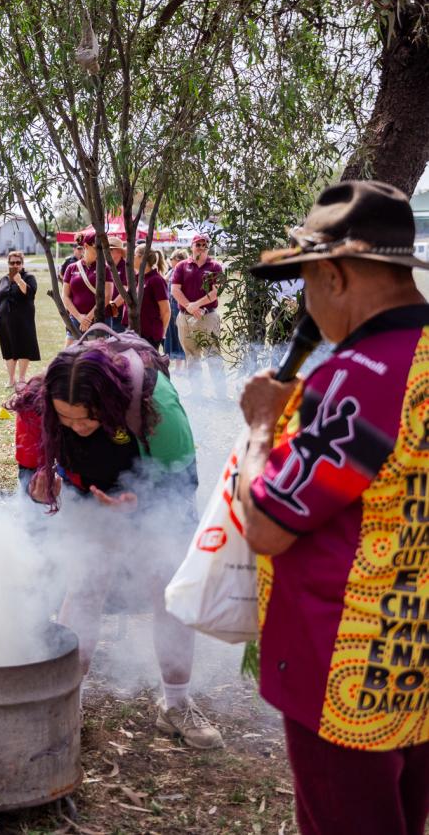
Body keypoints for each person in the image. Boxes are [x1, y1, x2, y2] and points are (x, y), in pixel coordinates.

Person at [235, 181, 429, 835]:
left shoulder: (358, 377)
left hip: (344, 673)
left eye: (307, 284)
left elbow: (266, 527)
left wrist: (262, 427)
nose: (308, 305)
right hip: (419, 660)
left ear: (334, 275)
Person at [10, 337, 223, 749]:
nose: (76, 427)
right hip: (87, 485)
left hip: (150, 484)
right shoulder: (36, 404)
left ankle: (176, 703)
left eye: (86, 419)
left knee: (168, 587)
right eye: (66, 419)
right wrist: (41, 489)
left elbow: (180, 484)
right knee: (87, 583)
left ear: (108, 404)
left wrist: (139, 504)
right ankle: (67, 701)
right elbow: (30, 475)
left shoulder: (156, 405)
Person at [171, 233, 224, 394]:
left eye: (204, 245)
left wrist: (196, 305)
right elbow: (175, 290)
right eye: (198, 244)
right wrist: (190, 307)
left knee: (213, 355)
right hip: (185, 318)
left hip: (208, 316)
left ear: (208, 247)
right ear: (192, 246)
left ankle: (220, 393)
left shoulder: (215, 266)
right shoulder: (181, 266)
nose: (201, 247)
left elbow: (216, 292)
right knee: (191, 356)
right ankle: (197, 393)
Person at [0, 250, 39, 386]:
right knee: (8, 348)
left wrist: (19, 281)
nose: (15, 265)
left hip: (23, 319)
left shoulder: (29, 277)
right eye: (12, 263)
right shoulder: (4, 279)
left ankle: (22, 378)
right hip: (3, 321)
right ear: (8, 264)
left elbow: (30, 293)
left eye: (18, 262)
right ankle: (11, 379)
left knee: (23, 346)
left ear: (22, 263)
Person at [131, 245, 171, 351]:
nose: (132, 257)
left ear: (142, 258)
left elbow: (166, 311)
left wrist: (161, 333)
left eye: (134, 255)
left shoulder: (156, 280)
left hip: (150, 335)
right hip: (136, 332)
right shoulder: (138, 278)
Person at [163, 249, 187, 362]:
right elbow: (164, 280)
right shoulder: (173, 270)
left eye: (171, 259)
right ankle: (178, 364)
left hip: (179, 306)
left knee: (180, 335)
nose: (170, 261)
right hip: (171, 306)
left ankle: (182, 364)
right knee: (173, 335)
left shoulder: (183, 271)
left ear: (178, 260)